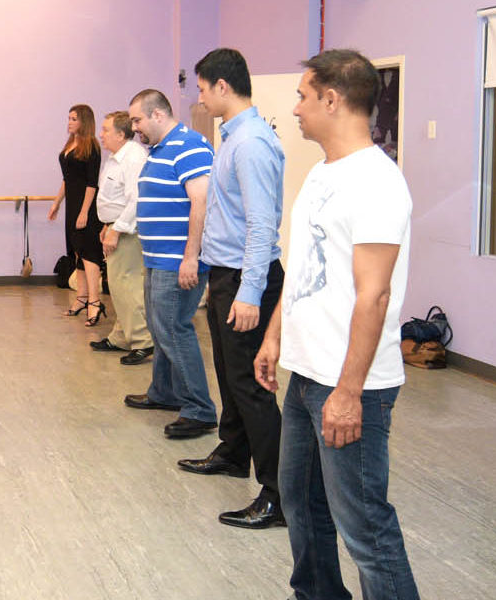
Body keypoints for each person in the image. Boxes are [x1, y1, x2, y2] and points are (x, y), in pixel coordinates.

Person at [255, 48, 421, 599]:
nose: (296, 108)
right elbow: (302, 266)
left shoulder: (377, 181)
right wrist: (276, 334)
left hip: (351, 385)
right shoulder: (324, 173)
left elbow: (373, 297)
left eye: (303, 96)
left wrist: (349, 392)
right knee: (301, 506)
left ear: (332, 98)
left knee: (365, 527)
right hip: (306, 373)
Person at [181, 47, 290, 530]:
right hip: (226, 274)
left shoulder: (250, 143)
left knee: (252, 386)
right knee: (229, 374)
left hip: (247, 279)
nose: (200, 99)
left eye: (202, 89)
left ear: (222, 86)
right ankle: (233, 451)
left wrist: (249, 292)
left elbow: (262, 227)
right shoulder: (233, 137)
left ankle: (280, 493)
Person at [120, 88, 218, 441]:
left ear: (158, 114)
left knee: (174, 329)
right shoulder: (159, 149)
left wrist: (191, 257)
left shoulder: (190, 145)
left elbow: (201, 202)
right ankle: (164, 391)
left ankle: (199, 410)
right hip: (158, 258)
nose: (134, 128)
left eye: (137, 120)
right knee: (161, 329)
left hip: (178, 260)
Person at [91, 111, 154, 366]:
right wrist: (108, 225)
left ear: (120, 134)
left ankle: (142, 341)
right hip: (116, 227)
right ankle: (121, 337)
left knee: (126, 285)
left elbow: (135, 200)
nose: (101, 134)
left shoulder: (134, 158)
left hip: (128, 233)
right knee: (118, 286)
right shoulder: (115, 157)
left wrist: (116, 229)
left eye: (106, 130)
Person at [52, 105, 105, 326]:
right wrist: (56, 203)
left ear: (84, 121)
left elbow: (92, 183)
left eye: (74, 119)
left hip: (87, 206)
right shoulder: (69, 145)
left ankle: (94, 302)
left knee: (90, 256)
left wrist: (84, 211)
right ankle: (82, 298)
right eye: (69, 118)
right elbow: (67, 178)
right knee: (77, 254)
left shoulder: (91, 146)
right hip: (72, 205)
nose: (70, 122)